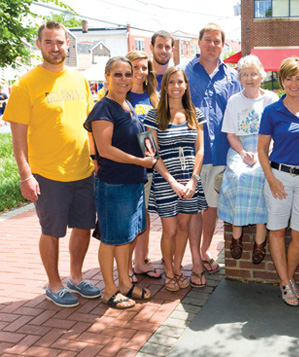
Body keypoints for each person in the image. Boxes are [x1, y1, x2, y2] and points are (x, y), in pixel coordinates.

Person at [3, 21, 100, 308]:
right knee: (52, 231)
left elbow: (88, 125)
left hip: (82, 170)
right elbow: (17, 139)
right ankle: (54, 284)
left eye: (60, 42)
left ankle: (76, 277)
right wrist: (25, 175)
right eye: (49, 42)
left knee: (83, 227)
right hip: (47, 174)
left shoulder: (79, 80)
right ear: (39, 44)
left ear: (67, 45)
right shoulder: (25, 84)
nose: (55, 48)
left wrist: (94, 158)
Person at [84, 56, 155, 309]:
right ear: (107, 76)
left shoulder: (126, 104)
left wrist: (149, 154)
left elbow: (136, 138)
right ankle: (110, 289)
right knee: (111, 239)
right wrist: (140, 161)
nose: (124, 79)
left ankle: (125, 283)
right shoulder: (104, 107)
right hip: (113, 184)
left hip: (132, 182)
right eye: (118, 74)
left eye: (128, 73)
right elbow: (105, 149)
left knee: (125, 236)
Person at [258, 57, 299, 307]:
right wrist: (271, 179)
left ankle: (288, 277)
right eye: (288, 78)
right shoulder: (271, 111)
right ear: (281, 81)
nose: (293, 83)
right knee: (276, 230)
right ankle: (285, 283)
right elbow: (261, 149)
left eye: (298, 78)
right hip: (279, 177)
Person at [183, 23, 242, 286]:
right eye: (208, 40)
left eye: (217, 41)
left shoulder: (232, 76)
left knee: (212, 208)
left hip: (221, 152)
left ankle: (204, 250)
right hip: (192, 152)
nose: (212, 45)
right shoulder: (185, 72)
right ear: (199, 42)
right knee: (193, 208)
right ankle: (195, 258)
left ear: (223, 44)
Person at [144, 67, 208, 291]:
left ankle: (179, 269)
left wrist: (193, 180)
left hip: (190, 181)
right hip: (165, 181)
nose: (176, 86)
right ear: (164, 86)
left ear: (186, 85)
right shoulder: (152, 115)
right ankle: (169, 272)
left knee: (184, 228)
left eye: (180, 82)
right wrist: (172, 181)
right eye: (171, 82)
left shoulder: (195, 112)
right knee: (169, 230)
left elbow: (200, 150)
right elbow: (150, 152)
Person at [218, 55, 278, 264]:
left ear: (261, 75)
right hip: (240, 149)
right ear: (240, 78)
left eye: (253, 73)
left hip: (266, 149)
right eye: (245, 74)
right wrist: (243, 153)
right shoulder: (234, 101)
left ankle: (260, 243)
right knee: (237, 176)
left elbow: (276, 132)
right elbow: (231, 135)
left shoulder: (271, 99)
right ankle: (236, 238)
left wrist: (264, 152)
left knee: (263, 178)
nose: (250, 78)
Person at [125, 50, 161, 281]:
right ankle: (125, 265)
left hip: (149, 166)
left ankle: (140, 261)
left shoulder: (155, 98)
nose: (139, 72)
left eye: (144, 68)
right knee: (129, 216)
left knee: (144, 216)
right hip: (126, 166)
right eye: (134, 67)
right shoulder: (120, 96)